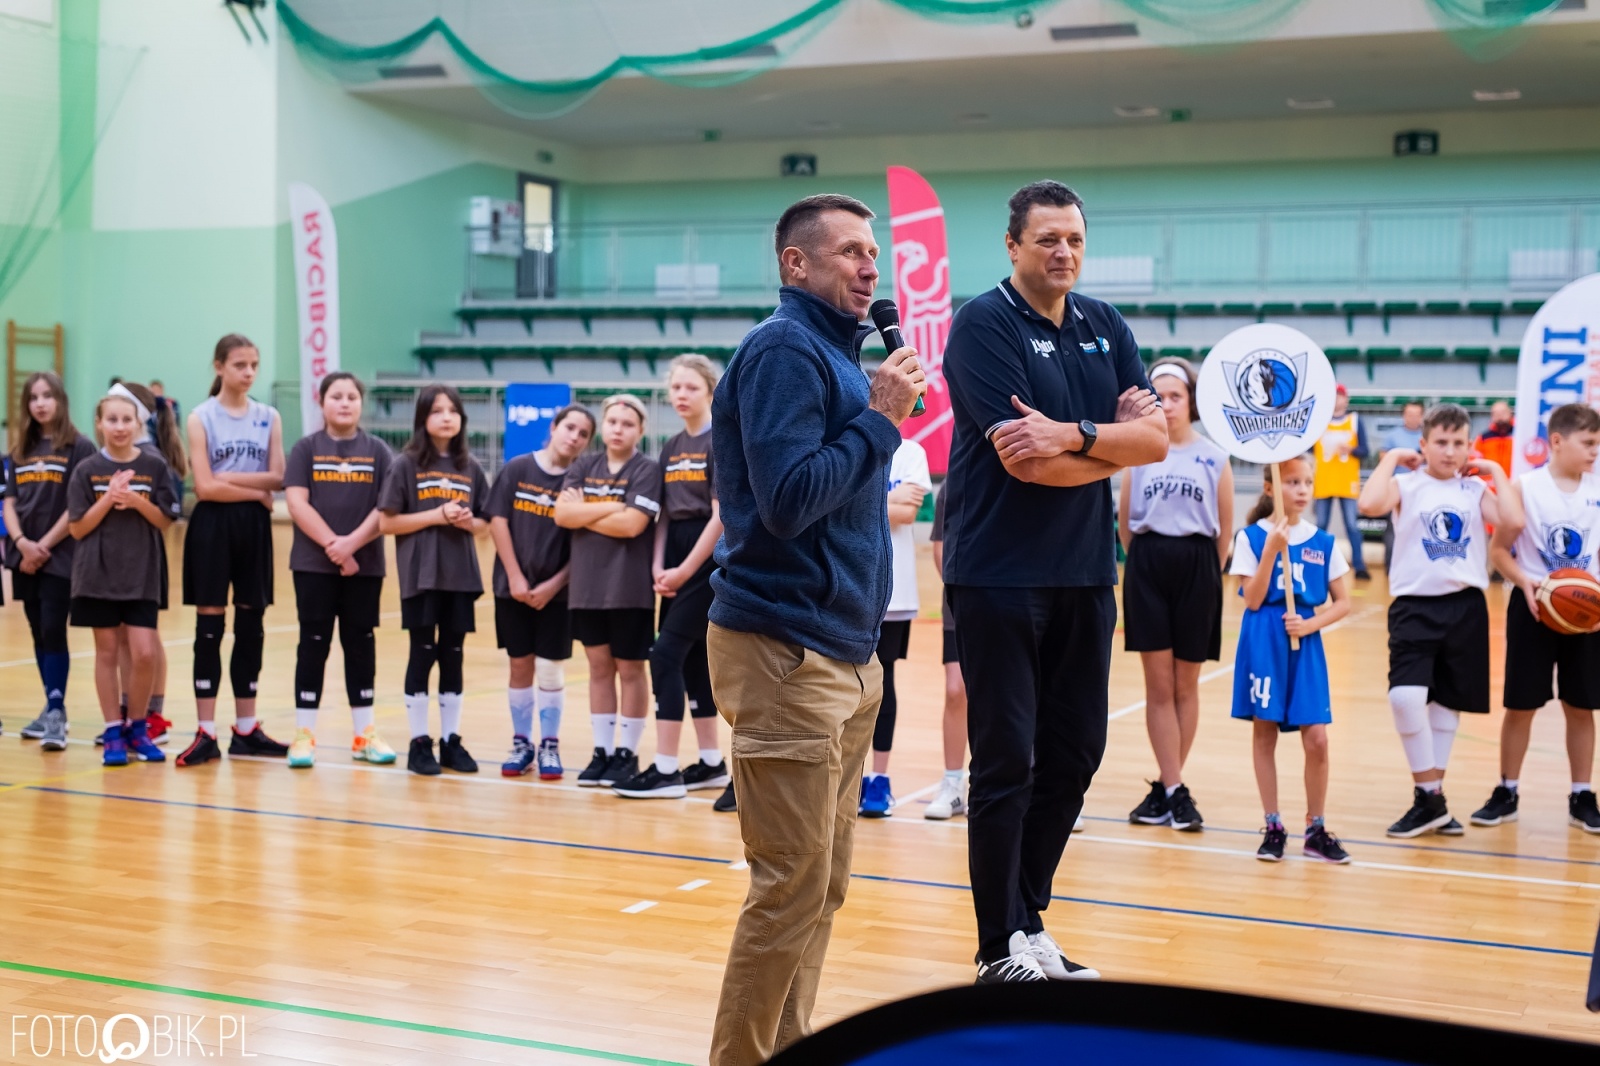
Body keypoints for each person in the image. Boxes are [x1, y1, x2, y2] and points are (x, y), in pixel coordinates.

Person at [705, 192, 922, 1066]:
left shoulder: (834, 354)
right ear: (797, 264)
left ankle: (784, 1047)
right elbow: (789, 503)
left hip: (845, 652)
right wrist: (878, 420)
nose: (870, 267)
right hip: (784, 651)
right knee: (788, 885)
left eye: (874, 253)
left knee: (820, 887)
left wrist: (871, 415)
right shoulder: (784, 351)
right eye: (849, 253)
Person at [942, 180, 1166, 984]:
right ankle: (995, 945)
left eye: (1073, 238)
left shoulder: (1105, 325)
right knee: (1006, 759)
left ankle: (1029, 918)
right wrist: (1114, 443)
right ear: (1012, 245)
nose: (1062, 251)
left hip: (1083, 574)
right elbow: (1026, 465)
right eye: (1046, 239)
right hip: (997, 574)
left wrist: (1075, 435)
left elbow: (1156, 443)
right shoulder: (981, 326)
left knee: (1077, 751)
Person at [1359, 403, 1519, 837]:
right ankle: (1431, 798)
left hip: (1465, 605)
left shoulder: (1473, 490)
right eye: (1441, 443)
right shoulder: (1405, 485)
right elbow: (1368, 503)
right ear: (1423, 444)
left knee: (1446, 705)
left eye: (1459, 444)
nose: (1450, 452)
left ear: (1470, 446)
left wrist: (1494, 472)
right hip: (1414, 605)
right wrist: (1392, 458)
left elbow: (1513, 520)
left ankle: (1431, 800)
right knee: (1406, 698)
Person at [1472, 402, 1600, 832]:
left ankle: (1582, 794)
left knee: (1581, 706)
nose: (1595, 451)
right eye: (1588, 442)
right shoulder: (1524, 487)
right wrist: (1526, 582)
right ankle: (1507, 790)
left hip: (1586, 614)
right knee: (1521, 705)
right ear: (1558, 442)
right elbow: (1497, 554)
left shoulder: (1597, 490)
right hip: (1533, 606)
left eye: (1597, 443)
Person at [1118, 358, 1233, 832]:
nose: (1166, 404)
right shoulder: (1140, 454)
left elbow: (1224, 532)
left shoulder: (1214, 456)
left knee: (1185, 685)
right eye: (1158, 396)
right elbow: (1126, 526)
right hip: (1148, 564)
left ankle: (1169, 787)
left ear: (1192, 401)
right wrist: (1146, 564)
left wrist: (1207, 573)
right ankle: (1175, 791)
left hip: (1198, 567)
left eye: (1175, 396)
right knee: (1158, 687)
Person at [615, 357, 730, 801]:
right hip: (675, 551)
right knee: (690, 659)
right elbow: (661, 515)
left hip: (707, 554)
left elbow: (720, 516)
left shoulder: (720, 440)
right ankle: (711, 763)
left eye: (691, 388)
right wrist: (658, 566)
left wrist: (686, 570)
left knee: (663, 656)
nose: (681, 395)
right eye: (676, 387)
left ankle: (665, 769)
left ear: (709, 392)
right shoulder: (671, 445)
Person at [1228, 455, 1353, 863]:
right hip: (1263, 638)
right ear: (1270, 490)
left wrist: (1311, 625)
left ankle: (1316, 827)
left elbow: (1344, 603)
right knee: (1264, 732)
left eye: (1307, 482)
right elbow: (1253, 598)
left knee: (1316, 737)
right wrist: (1272, 551)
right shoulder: (1250, 537)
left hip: (1305, 640)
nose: (1302, 490)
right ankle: (1274, 824)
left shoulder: (1323, 541)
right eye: (1292, 482)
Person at [176, 334, 289, 767]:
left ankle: (246, 728)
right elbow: (203, 487)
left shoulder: (268, 416)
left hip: (252, 529)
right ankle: (206, 731)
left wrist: (235, 484)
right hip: (212, 527)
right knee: (209, 627)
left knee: (251, 625)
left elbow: (278, 475)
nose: (248, 373)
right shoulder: (200, 416)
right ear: (219, 367)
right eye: (240, 365)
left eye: (254, 365)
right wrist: (253, 489)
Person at [282, 372, 396, 769]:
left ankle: (364, 733)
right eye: (336, 396)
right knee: (313, 642)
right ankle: (303, 735)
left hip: (364, 566)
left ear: (360, 404)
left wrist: (351, 546)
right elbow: (297, 504)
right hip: (313, 566)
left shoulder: (380, 452)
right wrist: (335, 546)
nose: (344, 403)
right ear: (322, 402)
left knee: (360, 643)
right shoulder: (305, 449)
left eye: (351, 396)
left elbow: (386, 510)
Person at [378, 384, 491, 776]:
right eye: (438, 410)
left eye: (454, 411)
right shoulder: (406, 464)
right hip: (421, 575)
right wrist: (436, 516)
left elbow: (484, 524)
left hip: (460, 575)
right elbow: (386, 521)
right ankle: (419, 743)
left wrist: (466, 521)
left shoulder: (470, 467)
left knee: (454, 655)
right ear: (423, 418)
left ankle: (451, 741)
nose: (447, 417)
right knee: (422, 652)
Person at [67, 390, 182, 766]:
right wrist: (108, 498)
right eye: (111, 420)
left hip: (142, 573)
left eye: (126, 420)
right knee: (107, 652)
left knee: (145, 652)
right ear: (99, 425)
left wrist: (135, 501)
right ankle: (113, 730)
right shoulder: (85, 470)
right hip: (97, 574)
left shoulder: (155, 466)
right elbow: (78, 529)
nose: (119, 427)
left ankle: (138, 726)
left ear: (139, 424)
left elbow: (166, 520)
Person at [554, 394, 662, 790]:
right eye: (612, 421)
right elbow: (563, 515)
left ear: (641, 430)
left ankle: (627, 753)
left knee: (631, 670)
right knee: (598, 669)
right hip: (587, 587)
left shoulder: (647, 469)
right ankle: (601, 751)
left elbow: (633, 525)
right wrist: (612, 507)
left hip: (629, 589)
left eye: (627, 423)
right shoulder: (584, 465)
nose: (618, 429)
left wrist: (590, 510)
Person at [489, 403, 594, 779]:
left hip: (558, 593)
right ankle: (521, 743)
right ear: (554, 426)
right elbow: (497, 522)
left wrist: (554, 584)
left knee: (550, 669)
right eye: (570, 427)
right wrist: (515, 577)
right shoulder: (518, 468)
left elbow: (582, 544)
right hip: (512, 589)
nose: (574, 437)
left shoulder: (581, 483)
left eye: (583, 434)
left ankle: (549, 745)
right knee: (519, 665)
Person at [6, 372, 96, 751]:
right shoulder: (18, 450)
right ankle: (49, 706)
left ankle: (57, 712)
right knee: (36, 631)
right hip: (23, 554)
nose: (40, 403)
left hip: (60, 554)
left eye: (47, 396)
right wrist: (22, 543)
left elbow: (79, 504)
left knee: (52, 626)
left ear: (60, 400)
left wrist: (42, 545)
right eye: (33, 397)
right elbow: (8, 502)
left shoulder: (79, 446)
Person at [108, 382, 186, 747]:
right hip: (114, 558)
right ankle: (128, 712)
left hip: (146, 557)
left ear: (138, 417)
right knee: (124, 637)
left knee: (146, 638)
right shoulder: (112, 456)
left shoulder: (150, 458)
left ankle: (153, 714)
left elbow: (167, 513)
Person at [859, 437, 931, 818]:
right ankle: (849, 777)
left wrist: (849, 500)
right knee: (843, 687)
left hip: (894, 592)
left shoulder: (911, 451)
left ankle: (879, 780)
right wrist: (888, 502)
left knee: (883, 685)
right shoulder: (845, 442)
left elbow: (907, 513)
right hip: (848, 589)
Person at [925, 486, 967, 820]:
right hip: (962, 599)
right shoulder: (952, 485)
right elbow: (939, 548)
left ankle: (1036, 782)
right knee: (956, 690)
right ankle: (953, 783)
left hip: (1010, 600)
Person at [1312, 384, 1371, 581]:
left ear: (1346, 399)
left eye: (1340, 396)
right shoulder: (1320, 422)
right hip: (1324, 479)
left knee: (1352, 525)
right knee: (1320, 524)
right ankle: (1315, 563)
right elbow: (1311, 448)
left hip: (1347, 480)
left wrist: (1351, 449)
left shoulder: (1354, 421)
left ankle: (1359, 565)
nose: (1338, 400)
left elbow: (1365, 451)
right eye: (1334, 396)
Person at [1379, 401, 1426, 571]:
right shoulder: (1393, 436)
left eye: (1416, 414)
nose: (1413, 418)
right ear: (1403, 415)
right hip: (1397, 489)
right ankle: (1390, 565)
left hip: (1423, 490)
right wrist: (1402, 458)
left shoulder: (1428, 438)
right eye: (1409, 414)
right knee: (1393, 528)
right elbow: (1383, 458)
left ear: (1422, 416)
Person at [1474, 400, 1515, 476]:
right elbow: (1476, 460)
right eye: (1496, 414)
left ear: (1510, 413)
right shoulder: (1483, 438)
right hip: (1491, 484)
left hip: (1514, 481)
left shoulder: (1518, 435)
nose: (1500, 417)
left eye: (1503, 413)